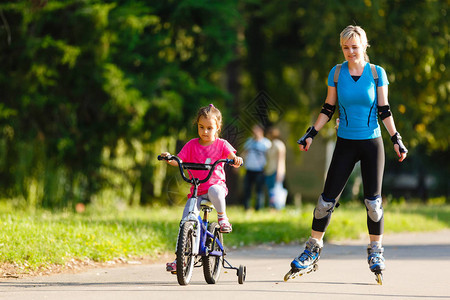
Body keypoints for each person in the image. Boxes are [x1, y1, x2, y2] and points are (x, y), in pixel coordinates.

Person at [290, 25, 408, 277]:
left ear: (364, 46)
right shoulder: (336, 73)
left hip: (372, 142)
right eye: (345, 47)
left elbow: (384, 110)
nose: (350, 52)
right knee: (325, 202)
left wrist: (396, 139)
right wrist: (311, 133)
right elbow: (328, 108)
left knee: (373, 203)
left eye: (355, 47)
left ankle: (376, 251)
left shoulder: (377, 73)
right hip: (345, 143)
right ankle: (312, 249)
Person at [160, 104, 243, 273]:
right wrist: (170, 159)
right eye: (201, 127)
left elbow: (231, 157)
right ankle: (180, 259)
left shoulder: (221, 144)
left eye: (209, 128)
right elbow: (179, 160)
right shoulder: (191, 145)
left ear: (217, 128)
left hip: (215, 187)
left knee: (214, 190)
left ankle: (222, 218)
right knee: (186, 221)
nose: (205, 132)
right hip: (197, 190)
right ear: (197, 126)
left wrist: (235, 159)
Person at [242, 124, 271, 210]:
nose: (254, 132)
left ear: (261, 131)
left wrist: (267, 168)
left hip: (260, 170)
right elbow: (244, 153)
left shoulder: (266, 143)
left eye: (256, 130)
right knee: (247, 190)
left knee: (259, 191)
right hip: (249, 169)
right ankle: (246, 208)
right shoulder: (249, 141)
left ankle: (258, 208)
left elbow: (269, 157)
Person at [264, 127, 287, 209]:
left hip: (276, 171)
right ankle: (272, 207)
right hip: (269, 170)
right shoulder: (271, 145)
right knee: (271, 191)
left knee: (276, 190)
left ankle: (277, 207)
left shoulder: (278, 145)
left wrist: (279, 172)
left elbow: (280, 160)